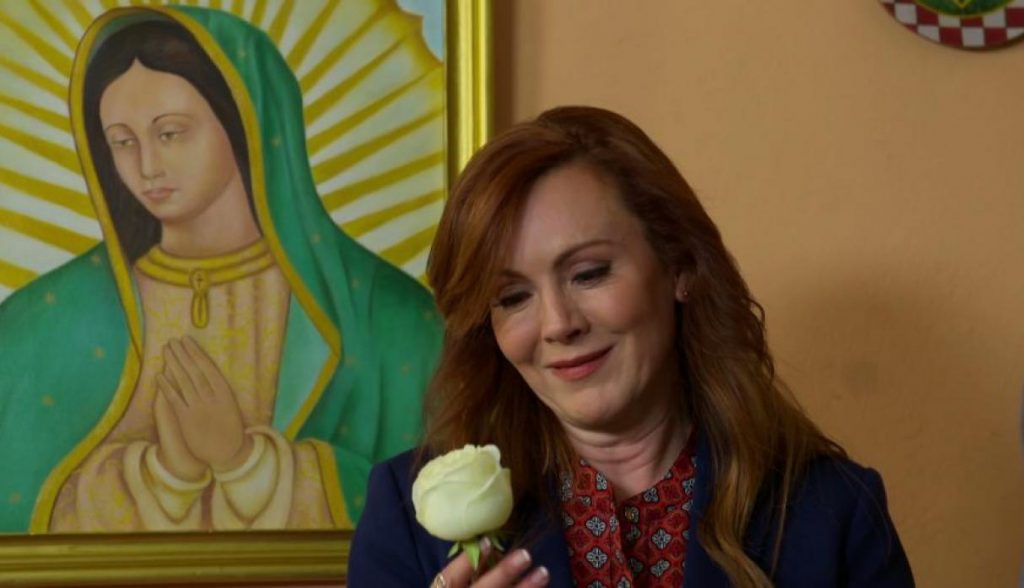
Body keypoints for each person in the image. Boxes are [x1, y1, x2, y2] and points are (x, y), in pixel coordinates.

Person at [349, 106, 915, 587]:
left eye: (589, 273)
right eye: (513, 297)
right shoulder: (406, 514)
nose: (558, 325)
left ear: (680, 266)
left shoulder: (836, 511)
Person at [0, 6, 440, 532]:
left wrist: (245, 463)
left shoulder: (391, 321)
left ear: (246, 125)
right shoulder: (36, 327)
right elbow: (24, 527)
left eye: (170, 133)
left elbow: (430, 518)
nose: (146, 167)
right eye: (122, 142)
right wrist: (166, 475)